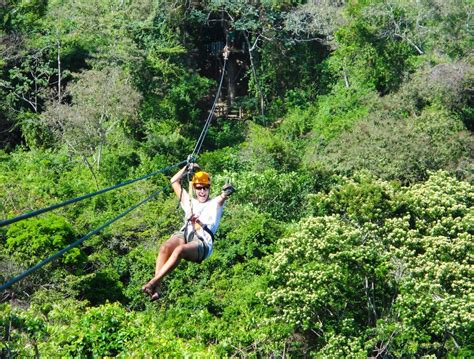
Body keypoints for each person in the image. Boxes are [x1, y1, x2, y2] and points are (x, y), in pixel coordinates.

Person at [142, 163, 234, 301]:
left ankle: (153, 282)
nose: (202, 191)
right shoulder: (189, 201)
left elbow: (223, 196)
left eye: (205, 188)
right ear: (194, 189)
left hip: (202, 242)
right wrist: (187, 167)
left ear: (209, 189)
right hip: (186, 234)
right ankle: (157, 288)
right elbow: (174, 181)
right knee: (165, 247)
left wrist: (227, 191)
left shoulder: (215, 203)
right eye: (199, 188)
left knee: (179, 250)